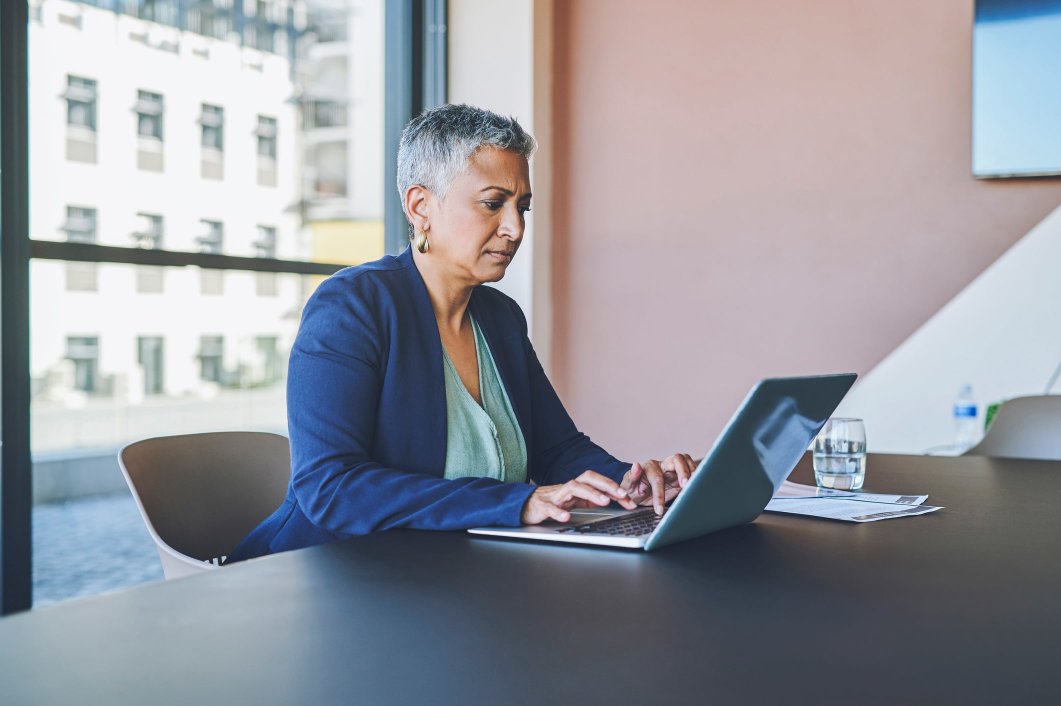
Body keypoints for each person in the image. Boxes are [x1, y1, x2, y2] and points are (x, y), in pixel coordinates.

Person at [227, 104, 696, 562]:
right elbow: (330, 488)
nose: (514, 228)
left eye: (522, 207)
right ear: (420, 206)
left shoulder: (499, 317)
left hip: (449, 578)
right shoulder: (352, 306)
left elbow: (558, 449)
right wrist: (516, 503)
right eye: (493, 203)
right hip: (324, 579)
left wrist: (633, 485)